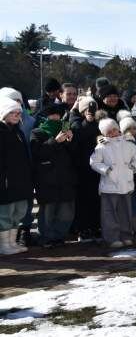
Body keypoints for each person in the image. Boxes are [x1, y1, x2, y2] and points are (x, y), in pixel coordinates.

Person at [90, 117, 136, 247]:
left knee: (125, 211)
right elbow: (94, 162)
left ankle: (126, 235)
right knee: (109, 213)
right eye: (109, 131)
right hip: (109, 185)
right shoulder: (102, 146)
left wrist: (133, 168)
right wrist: (106, 170)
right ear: (104, 133)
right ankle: (112, 237)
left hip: (126, 183)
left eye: (115, 130)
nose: (113, 133)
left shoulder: (129, 143)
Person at [30, 104, 77, 246]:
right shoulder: (37, 132)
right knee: (48, 211)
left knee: (66, 210)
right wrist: (55, 141)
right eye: (52, 115)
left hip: (66, 178)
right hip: (47, 179)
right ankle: (46, 237)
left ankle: (59, 236)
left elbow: (74, 154)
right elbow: (37, 153)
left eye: (58, 115)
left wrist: (71, 140)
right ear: (46, 116)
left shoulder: (67, 129)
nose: (55, 118)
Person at [0, 97, 31, 254]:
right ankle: (4, 245)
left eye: (19, 112)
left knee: (18, 212)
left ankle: (12, 242)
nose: (17, 115)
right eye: (13, 112)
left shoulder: (18, 131)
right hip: (6, 181)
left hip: (21, 180)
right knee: (5, 213)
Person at [70, 97, 102, 241]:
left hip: (96, 168)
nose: (90, 112)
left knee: (96, 200)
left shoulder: (100, 124)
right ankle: (83, 229)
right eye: (87, 110)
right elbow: (75, 141)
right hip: (81, 168)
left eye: (93, 110)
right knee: (82, 201)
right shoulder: (76, 124)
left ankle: (95, 227)